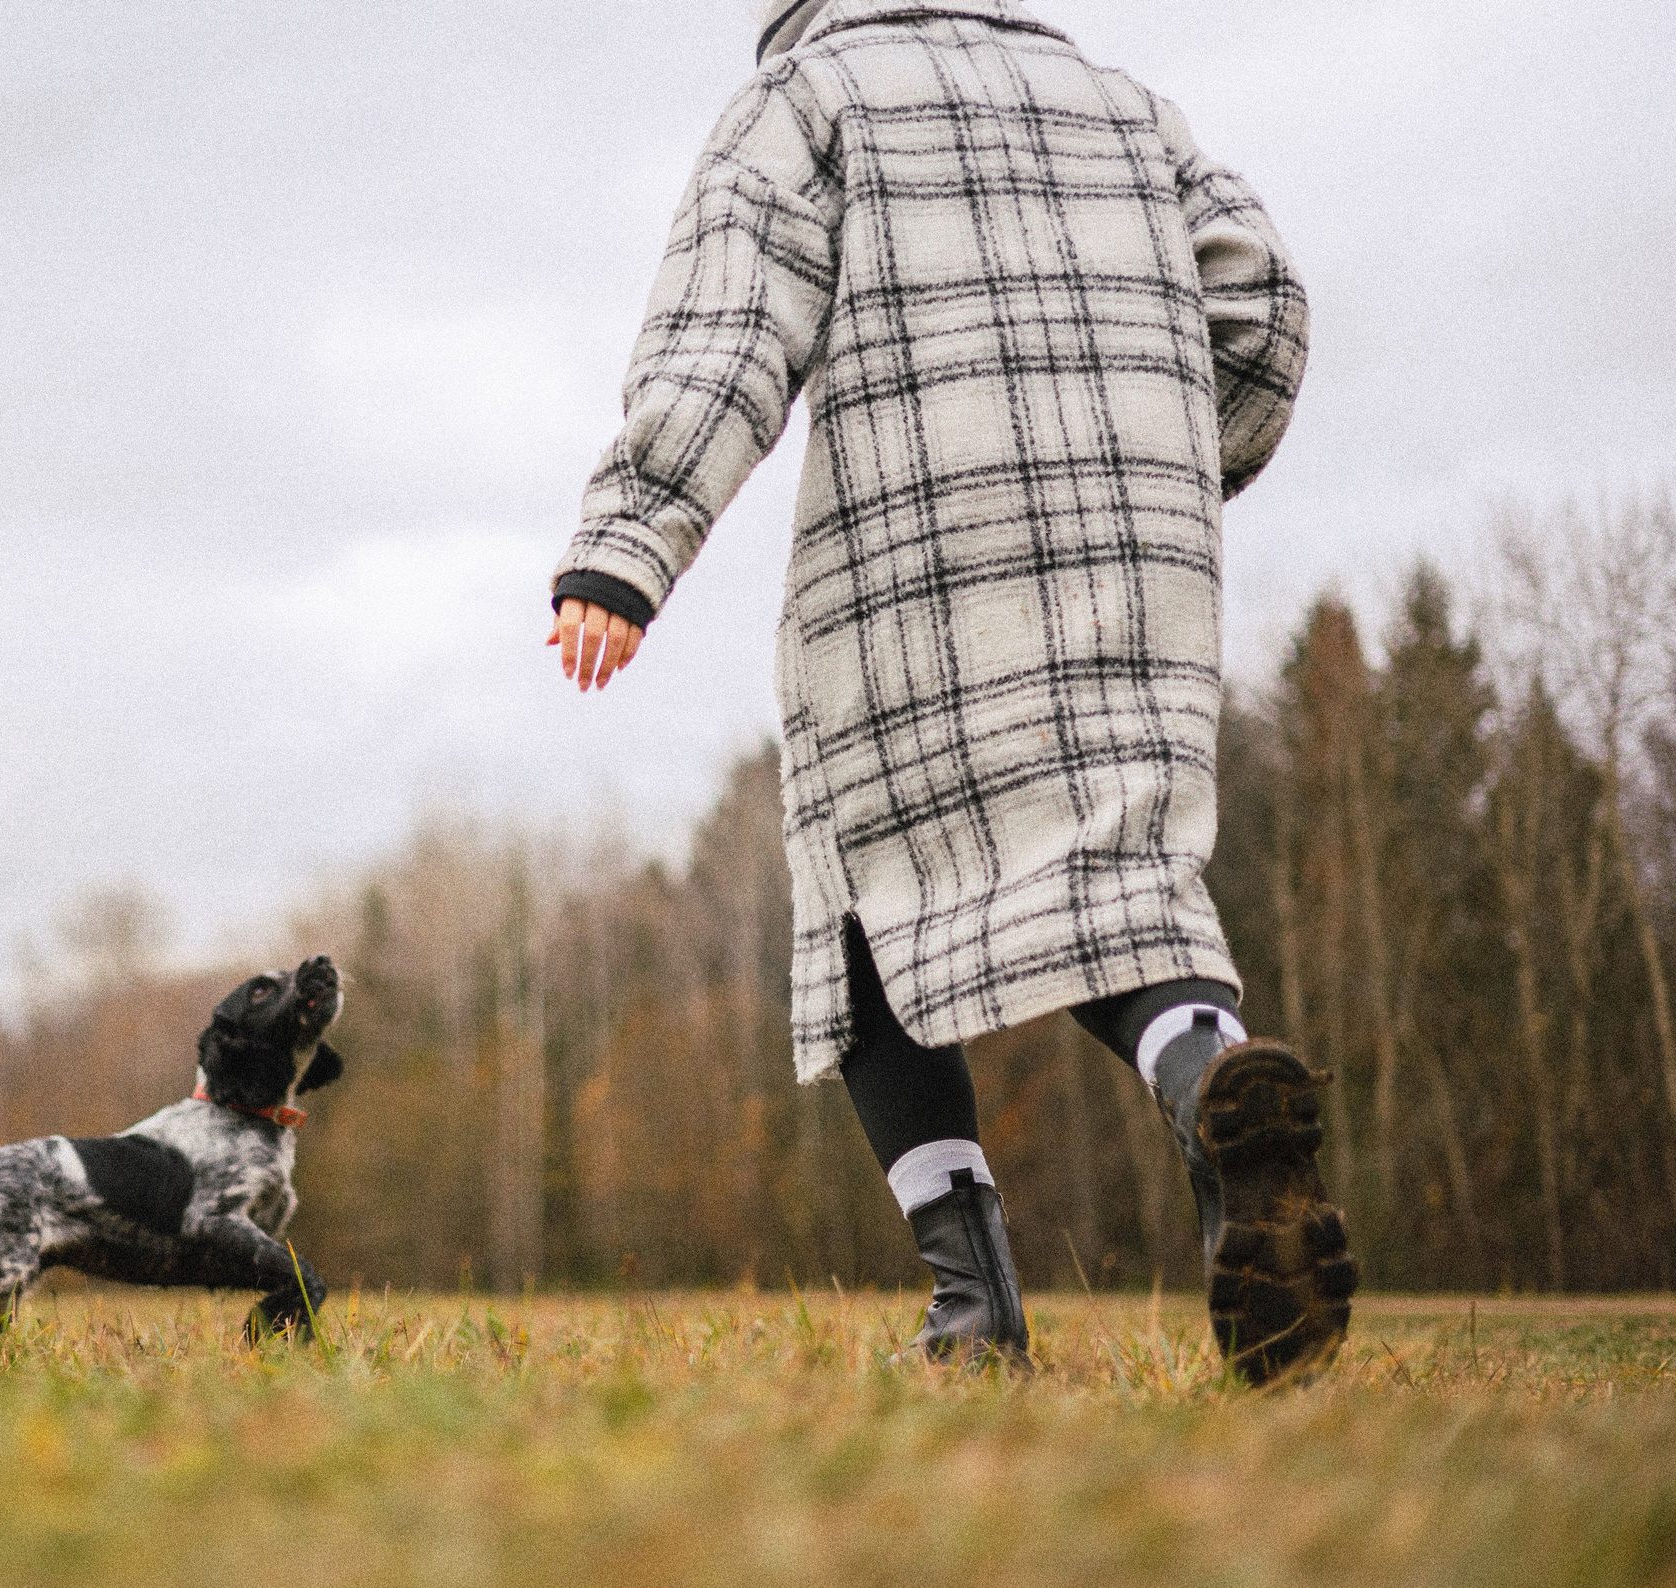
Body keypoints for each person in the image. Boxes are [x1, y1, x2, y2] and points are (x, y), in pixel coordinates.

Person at [546, 0, 1353, 1383]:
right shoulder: (1124, 102)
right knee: (1122, 881)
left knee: (866, 918)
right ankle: (1213, 1088)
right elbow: (1263, 307)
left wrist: (627, 543)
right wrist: (1175, 462)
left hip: (914, 549)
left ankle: (973, 1309)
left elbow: (725, 326)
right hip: (1131, 556)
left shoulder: (811, 96)